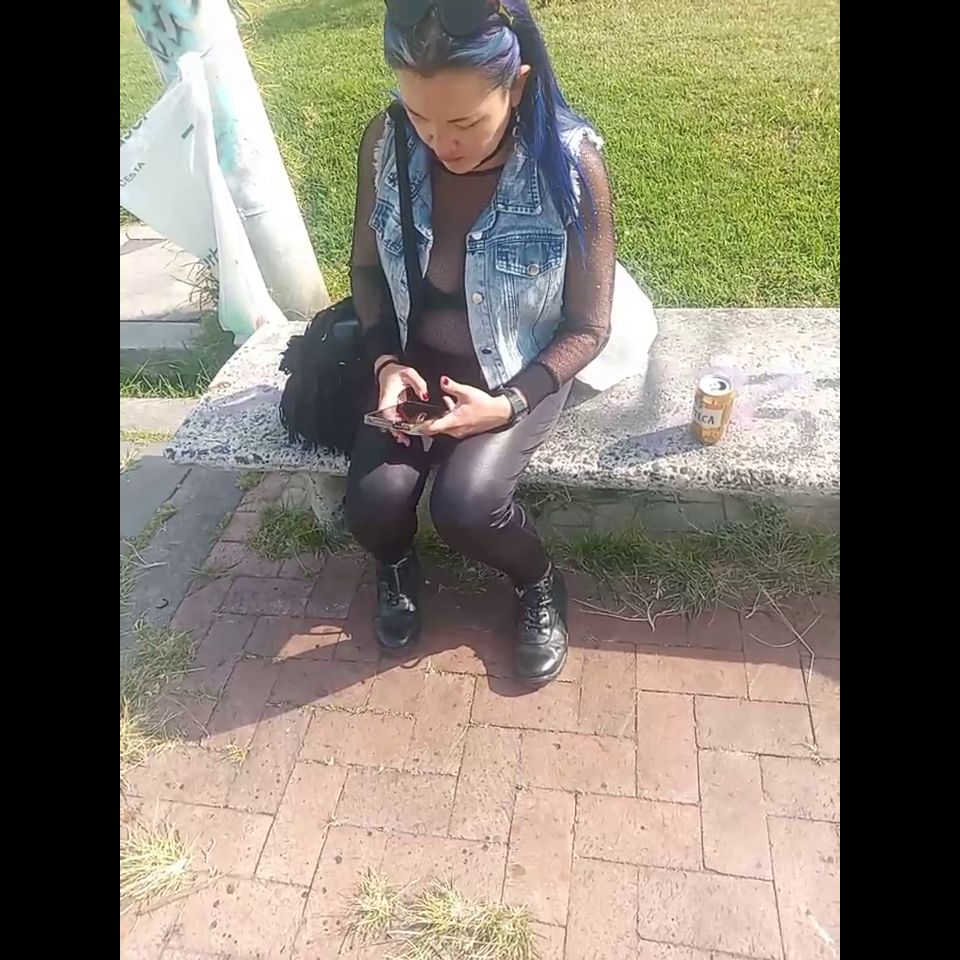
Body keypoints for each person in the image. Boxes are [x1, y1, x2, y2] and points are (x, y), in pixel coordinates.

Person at [345, 0, 652, 684]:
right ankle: (395, 564)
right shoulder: (386, 140)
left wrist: (508, 404)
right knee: (371, 503)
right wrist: (386, 361)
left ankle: (537, 581)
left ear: (516, 86)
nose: (439, 142)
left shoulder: (570, 165)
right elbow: (365, 268)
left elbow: (589, 326)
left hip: (519, 361)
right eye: (420, 116)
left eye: (464, 122)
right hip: (414, 361)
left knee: (467, 507)